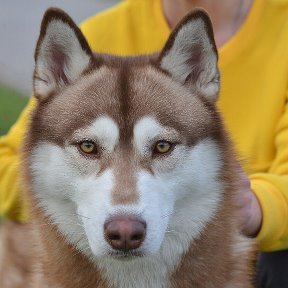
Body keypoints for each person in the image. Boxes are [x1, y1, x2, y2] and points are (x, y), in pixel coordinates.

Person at [0, 0, 288, 286]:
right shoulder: (102, 31)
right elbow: (8, 162)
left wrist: (254, 207)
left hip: (251, 252)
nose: (125, 216)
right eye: (89, 146)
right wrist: (67, 203)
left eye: (162, 146)